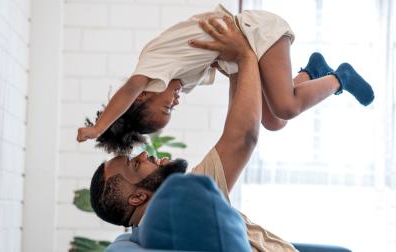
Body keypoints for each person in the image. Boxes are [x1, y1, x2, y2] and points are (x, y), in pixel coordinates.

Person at [89, 17, 317, 251]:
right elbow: (242, 138)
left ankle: (310, 75)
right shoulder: (183, 204)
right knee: (280, 114)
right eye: (136, 164)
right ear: (136, 198)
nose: (145, 155)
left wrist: (238, 65)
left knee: (277, 117)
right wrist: (244, 56)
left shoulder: (174, 211)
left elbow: (238, 133)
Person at [76, 4, 374, 154]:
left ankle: (340, 78)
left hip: (253, 33)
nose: (175, 102)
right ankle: (310, 73)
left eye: (166, 107)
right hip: (243, 52)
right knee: (273, 122)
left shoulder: (152, 67)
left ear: (142, 95)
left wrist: (100, 128)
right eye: (173, 110)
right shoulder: (177, 76)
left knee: (286, 107)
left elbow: (128, 89)